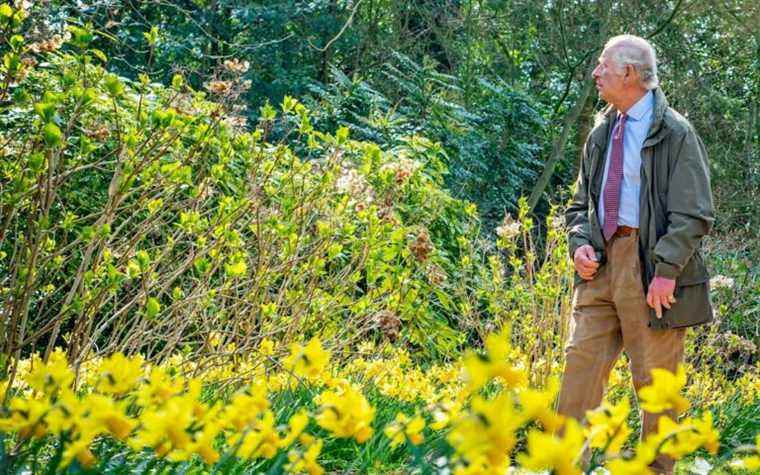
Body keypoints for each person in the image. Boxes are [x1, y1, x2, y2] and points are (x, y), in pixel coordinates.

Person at [559, 34, 714, 474]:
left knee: (656, 394)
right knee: (577, 381)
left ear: (628, 73)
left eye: (602, 65)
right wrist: (580, 242)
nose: (596, 73)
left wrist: (666, 270)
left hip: (652, 272)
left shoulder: (676, 133)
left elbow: (694, 213)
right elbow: (579, 205)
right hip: (599, 269)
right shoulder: (602, 129)